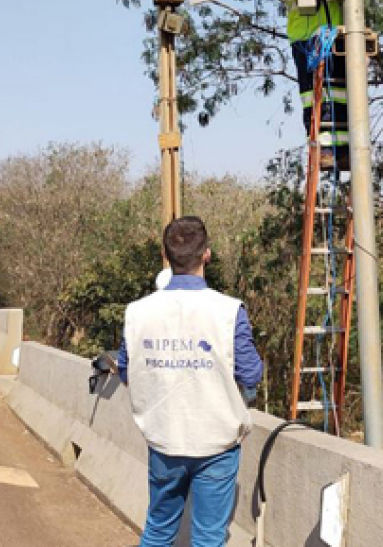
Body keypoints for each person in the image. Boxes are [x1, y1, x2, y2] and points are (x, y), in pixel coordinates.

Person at [116, 216, 264, 547]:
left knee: (157, 530)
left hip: (164, 439)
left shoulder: (137, 312)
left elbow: (126, 370)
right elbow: (251, 373)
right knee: (209, 537)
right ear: (206, 254)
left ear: (167, 257)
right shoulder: (229, 311)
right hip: (217, 444)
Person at [277, 0, 349, 171]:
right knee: (312, 97)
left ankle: (343, 151)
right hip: (304, 38)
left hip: (335, 34)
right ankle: (323, 149)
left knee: (341, 94)